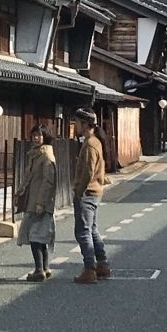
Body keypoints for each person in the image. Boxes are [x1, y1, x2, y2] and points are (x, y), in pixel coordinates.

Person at [72, 107, 111, 284]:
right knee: (92, 229)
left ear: (85, 124)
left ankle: (89, 269)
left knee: (83, 232)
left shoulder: (89, 144)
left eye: (77, 123)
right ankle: (102, 264)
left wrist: (79, 192)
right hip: (95, 191)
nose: (75, 126)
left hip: (87, 193)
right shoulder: (96, 142)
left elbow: (88, 171)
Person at [16, 123, 57, 282]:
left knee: (36, 236)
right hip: (33, 200)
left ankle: (39, 269)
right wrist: (19, 192)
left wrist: (41, 202)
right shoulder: (35, 155)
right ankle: (45, 268)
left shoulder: (46, 156)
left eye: (39, 135)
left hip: (40, 203)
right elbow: (28, 177)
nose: (35, 138)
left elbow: (48, 182)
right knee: (40, 236)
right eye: (34, 135)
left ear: (45, 137)